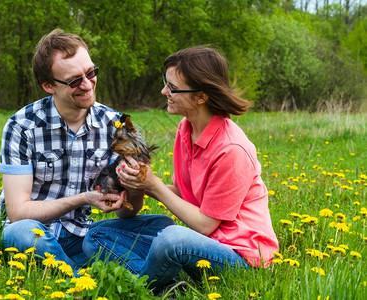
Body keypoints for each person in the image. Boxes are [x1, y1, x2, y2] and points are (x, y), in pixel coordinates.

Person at [0, 29, 174, 271]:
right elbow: (18, 212)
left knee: (160, 225)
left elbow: (125, 214)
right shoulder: (22, 125)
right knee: (20, 232)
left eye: (90, 73)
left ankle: (69, 269)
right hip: (34, 233)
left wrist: (134, 189)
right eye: (73, 81)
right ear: (49, 86)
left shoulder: (116, 124)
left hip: (84, 235)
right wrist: (84, 199)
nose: (87, 84)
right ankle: (85, 281)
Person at [110, 46, 279, 291]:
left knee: (171, 239)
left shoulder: (232, 149)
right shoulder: (185, 128)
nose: (164, 91)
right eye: (165, 83)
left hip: (239, 256)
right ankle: (169, 279)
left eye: (173, 88)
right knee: (98, 234)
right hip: (201, 242)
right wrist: (138, 183)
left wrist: (154, 186)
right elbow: (183, 192)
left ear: (201, 96)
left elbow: (205, 224)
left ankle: (135, 289)